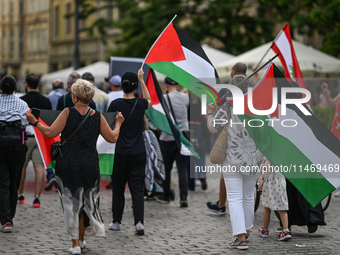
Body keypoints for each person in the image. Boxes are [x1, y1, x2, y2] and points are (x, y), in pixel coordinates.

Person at [25, 79, 124, 254]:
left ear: (76, 98)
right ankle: (82, 239)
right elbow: (113, 138)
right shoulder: (98, 116)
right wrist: (118, 123)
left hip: (68, 164)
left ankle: (75, 244)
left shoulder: (67, 112)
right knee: (86, 203)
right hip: (90, 165)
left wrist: (34, 121)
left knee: (70, 203)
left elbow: (50, 132)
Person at [206, 75, 264, 250]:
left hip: (233, 159)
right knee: (247, 196)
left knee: (235, 198)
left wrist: (209, 113)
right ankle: (245, 230)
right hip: (254, 159)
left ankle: (240, 238)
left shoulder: (229, 106)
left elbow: (213, 127)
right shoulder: (259, 106)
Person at [107, 69, 151, 235]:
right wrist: (142, 80)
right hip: (138, 152)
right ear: (135, 88)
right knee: (137, 189)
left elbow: (109, 124)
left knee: (118, 188)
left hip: (119, 152)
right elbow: (149, 99)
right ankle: (139, 222)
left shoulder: (116, 104)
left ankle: (116, 221)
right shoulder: (140, 104)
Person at [207, 62, 247, 214]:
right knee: (247, 189)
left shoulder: (228, 90)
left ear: (234, 72)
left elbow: (217, 120)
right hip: (249, 141)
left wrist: (210, 112)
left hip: (231, 139)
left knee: (227, 174)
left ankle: (222, 204)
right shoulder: (252, 89)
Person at [18, 74, 52, 208]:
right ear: (38, 85)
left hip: (25, 136)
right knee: (39, 167)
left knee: (23, 166)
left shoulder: (21, 100)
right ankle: (37, 198)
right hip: (41, 136)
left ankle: (20, 194)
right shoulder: (46, 101)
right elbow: (50, 119)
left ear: (26, 84)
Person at [0, 76, 29, 233]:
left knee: (3, 182)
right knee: (14, 180)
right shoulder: (22, 103)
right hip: (18, 146)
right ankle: (10, 214)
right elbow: (27, 125)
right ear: (14, 89)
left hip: (0, 146)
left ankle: (5, 219)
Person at [156, 77, 189, 207]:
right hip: (183, 136)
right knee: (182, 167)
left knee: (167, 168)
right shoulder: (185, 98)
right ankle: (184, 197)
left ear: (166, 85)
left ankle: (165, 195)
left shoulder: (163, 98)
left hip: (167, 136)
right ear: (178, 84)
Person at [258, 159, 291, 241]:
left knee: (266, 207)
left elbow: (266, 167)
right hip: (281, 182)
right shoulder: (283, 153)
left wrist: (262, 173)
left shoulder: (269, 153)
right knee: (282, 208)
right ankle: (286, 230)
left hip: (270, 183)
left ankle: (265, 230)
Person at [45, 79, 68, 191]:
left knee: (50, 153)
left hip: (51, 127)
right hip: (65, 129)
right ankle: (61, 180)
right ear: (64, 86)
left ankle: (50, 176)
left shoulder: (49, 96)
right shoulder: (66, 96)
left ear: (53, 87)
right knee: (62, 155)